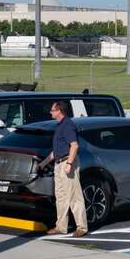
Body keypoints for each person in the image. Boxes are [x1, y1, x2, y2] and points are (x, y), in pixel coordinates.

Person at [39, 100, 87, 237]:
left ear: (60, 111)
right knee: (60, 197)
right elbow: (56, 150)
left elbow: (74, 145)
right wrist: (43, 163)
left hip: (67, 163)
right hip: (59, 164)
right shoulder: (59, 126)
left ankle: (82, 227)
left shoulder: (67, 125)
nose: (50, 112)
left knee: (74, 197)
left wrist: (69, 164)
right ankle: (61, 226)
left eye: (52, 110)